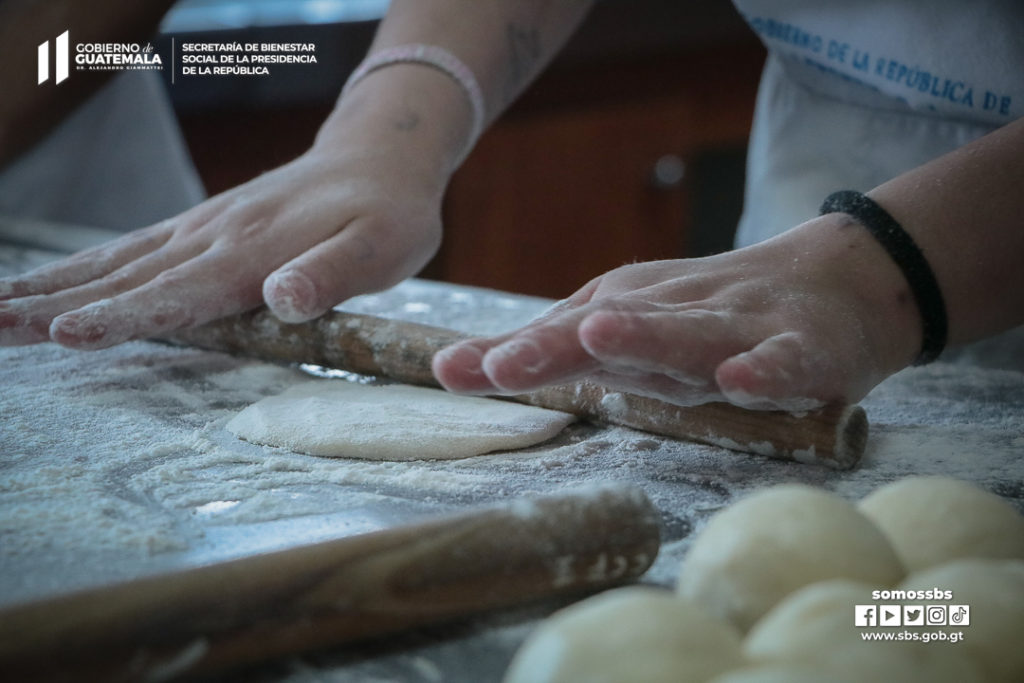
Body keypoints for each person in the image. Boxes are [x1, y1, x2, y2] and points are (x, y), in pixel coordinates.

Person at [0, 0, 1021, 413]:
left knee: (970, 609)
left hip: (918, 246)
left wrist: (891, 270)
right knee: (864, 609)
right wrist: (384, 128)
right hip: (811, 230)